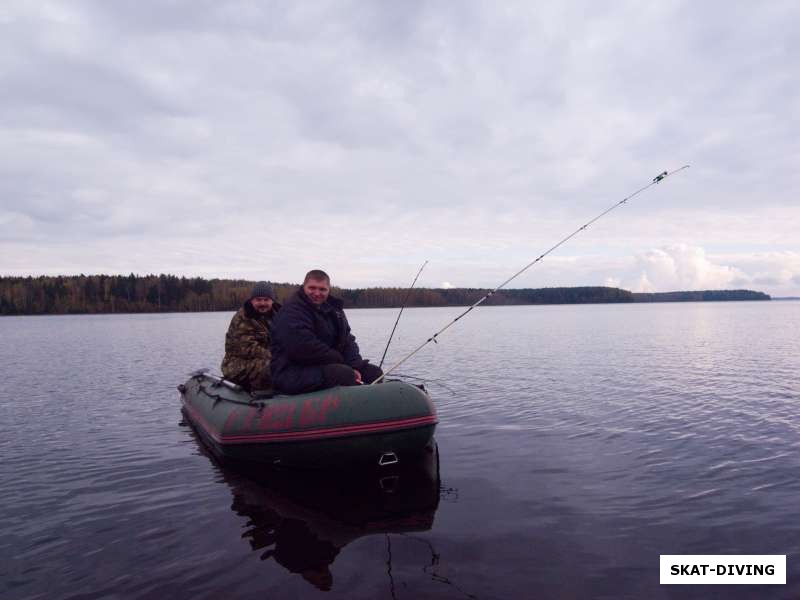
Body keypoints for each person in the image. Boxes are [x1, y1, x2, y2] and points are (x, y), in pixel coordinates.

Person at [270, 269, 383, 395]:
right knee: (343, 374)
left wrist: (355, 365)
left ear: (329, 290)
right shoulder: (292, 311)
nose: (317, 293)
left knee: (374, 373)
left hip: (323, 366)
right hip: (291, 372)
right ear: (303, 287)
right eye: (312, 288)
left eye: (322, 289)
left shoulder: (335, 310)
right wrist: (343, 365)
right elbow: (303, 347)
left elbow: (347, 340)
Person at [221, 281, 280, 390]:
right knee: (273, 367)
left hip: (269, 357)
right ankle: (263, 396)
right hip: (237, 364)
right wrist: (279, 356)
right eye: (258, 300)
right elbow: (247, 348)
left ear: (272, 301)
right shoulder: (243, 318)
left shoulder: (279, 315)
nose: (262, 303)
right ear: (252, 300)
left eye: (266, 300)